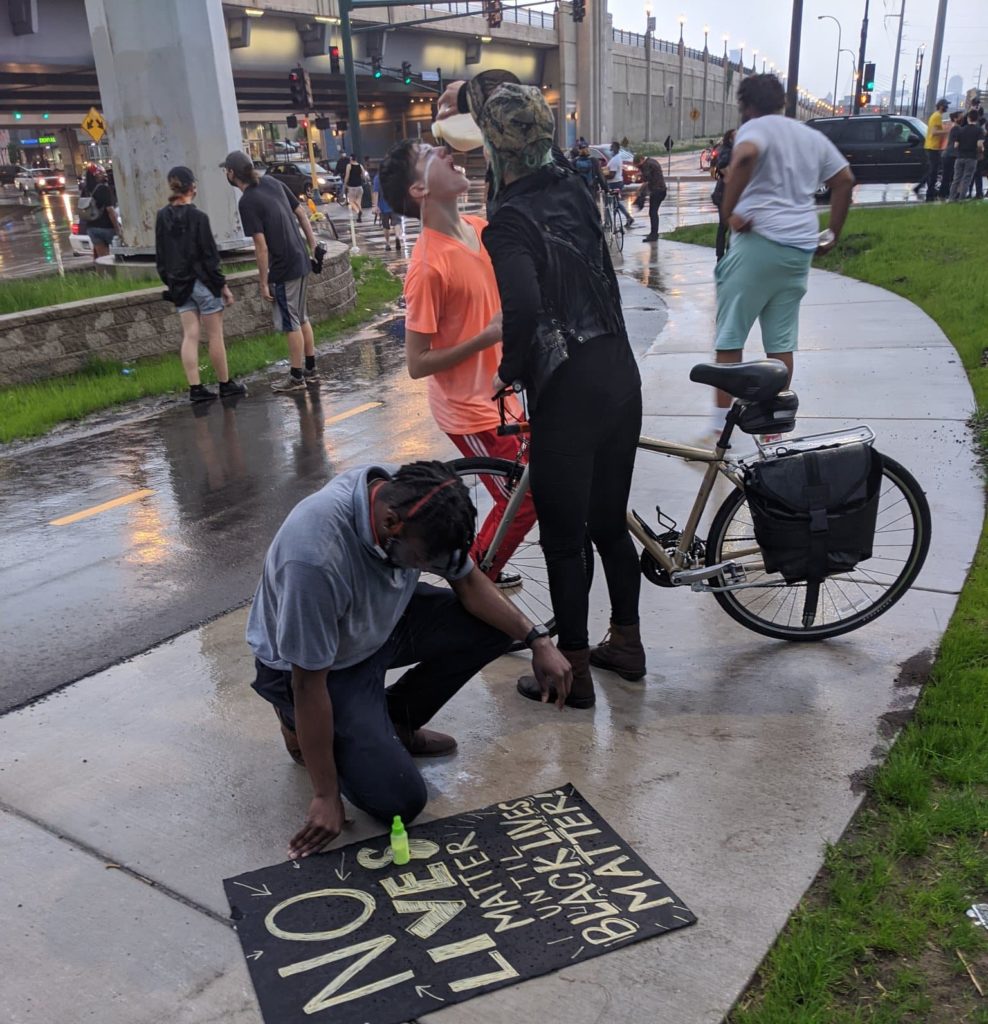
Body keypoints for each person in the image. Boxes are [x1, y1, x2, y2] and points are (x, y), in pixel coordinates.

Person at [247, 460, 572, 857]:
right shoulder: (314, 556)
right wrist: (326, 794)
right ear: (389, 524)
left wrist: (538, 639)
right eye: (422, 561)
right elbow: (307, 683)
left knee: (497, 627)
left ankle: (394, 720)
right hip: (320, 668)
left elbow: (468, 581)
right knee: (399, 801)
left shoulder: (418, 500)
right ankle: (295, 723)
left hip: (378, 623)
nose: (428, 569)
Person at [460, 79, 647, 708]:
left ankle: (573, 675)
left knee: (565, 539)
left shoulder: (507, 220)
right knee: (609, 523)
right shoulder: (573, 185)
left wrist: (509, 370)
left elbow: (526, 306)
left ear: (495, 147)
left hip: (567, 393)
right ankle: (625, 642)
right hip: (620, 376)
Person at [379, 140, 537, 586]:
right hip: (470, 409)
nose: (448, 153)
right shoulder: (428, 267)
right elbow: (417, 362)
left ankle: (484, 561)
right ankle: (476, 582)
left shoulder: (480, 229)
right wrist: (486, 336)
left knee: (522, 493)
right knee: (524, 499)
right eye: (432, 155)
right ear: (418, 189)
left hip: (505, 395)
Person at [712, 74, 853, 429]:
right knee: (780, 340)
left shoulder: (756, 129)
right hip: (799, 249)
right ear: (783, 103)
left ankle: (718, 427)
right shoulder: (810, 136)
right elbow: (845, 180)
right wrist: (832, 233)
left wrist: (729, 212)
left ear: (747, 107)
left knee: (731, 333)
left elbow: (744, 157)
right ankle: (773, 426)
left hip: (760, 242)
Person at [221, 150, 320, 394]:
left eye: (226, 170)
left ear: (232, 174)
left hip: (284, 266)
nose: (226, 174)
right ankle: (311, 368)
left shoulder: (247, 202)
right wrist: (313, 246)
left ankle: (297, 378)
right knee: (302, 316)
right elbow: (300, 212)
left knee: (291, 322)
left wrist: (263, 281)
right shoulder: (273, 182)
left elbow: (261, 246)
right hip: (301, 258)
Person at [155, 166, 246, 403]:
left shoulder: (161, 217)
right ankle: (225, 384)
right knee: (215, 335)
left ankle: (195, 388)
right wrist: (222, 285)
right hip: (203, 283)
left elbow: (161, 256)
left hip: (179, 285)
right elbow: (209, 256)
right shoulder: (199, 218)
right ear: (192, 188)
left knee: (190, 335)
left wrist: (170, 281)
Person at [82, 164, 121, 261]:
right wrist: (118, 228)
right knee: (118, 255)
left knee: (103, 258)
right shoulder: (103, 189)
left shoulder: (85, 190)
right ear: (96, 175)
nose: (104, 176)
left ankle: (105, 274)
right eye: (102, 174)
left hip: (91, 228)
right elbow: (110, 211)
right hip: (107, 228)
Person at [916, 99, 950, 201]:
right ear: (941, 106)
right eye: (946, 105)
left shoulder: (936, 116)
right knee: (934, 171)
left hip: (932, 146)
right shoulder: (937, 116)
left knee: (933, 170)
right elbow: (934, 132)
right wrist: (946, 131)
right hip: (932, 147)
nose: (947, 107)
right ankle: (930, 194)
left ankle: (920, 188)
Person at [949, 108, 985, 201]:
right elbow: (979, 145)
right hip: (972, 157)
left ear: (968, 118)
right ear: (977, 119)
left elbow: (956, 145)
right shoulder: (979, 130)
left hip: (960, 157)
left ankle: (951, 198)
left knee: (956, 179)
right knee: (966, 179)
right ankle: (961, 199)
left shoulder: (961, 130)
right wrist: (980, 152)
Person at [712, 128, 736, 262]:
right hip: (724, 194)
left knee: (732, 226)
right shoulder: (726, 150)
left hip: (733, 194)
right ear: (730, 138)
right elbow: (722, 167)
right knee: (724, 225)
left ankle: (729, 252)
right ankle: (720, 255)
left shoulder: (736, 149)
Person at [632, 153, 667, 242]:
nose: (638, 168)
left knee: (653, 212)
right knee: (653, 212)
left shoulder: (646, 165)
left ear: (641, 160)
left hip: (657, 190)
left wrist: (639, 190)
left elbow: (647, 180)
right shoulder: (652, 161)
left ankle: (654, 235)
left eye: (638, 166)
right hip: (661, 189)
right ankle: (654, 233)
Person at [371, 165, 401, 252]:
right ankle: (397, 237)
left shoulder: (377, 178)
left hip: (383, 206)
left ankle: (388, 243)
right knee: (397, 223)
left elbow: (376, 192)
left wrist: (375, 206)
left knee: (385, 226)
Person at [939, 111, 964, 199]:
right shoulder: (956, 129)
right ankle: (944, 194)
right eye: (960, 116)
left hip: (948, 154)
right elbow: (956, 144)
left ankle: (943, 193)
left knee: (947, 175)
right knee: (949, 176)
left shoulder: (954, 128)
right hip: (951, 155)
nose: (962, 118)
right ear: (955, 118)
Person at [344, 155, 365, 221]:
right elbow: (363, 176)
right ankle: (359, 217)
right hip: (359, 186)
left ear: (351, 159)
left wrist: (345, 184)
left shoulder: (349, 166)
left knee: (351, 201)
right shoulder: (360, 166)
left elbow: (347, 176)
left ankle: (358, 211)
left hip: (352, 186)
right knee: (358, 201)